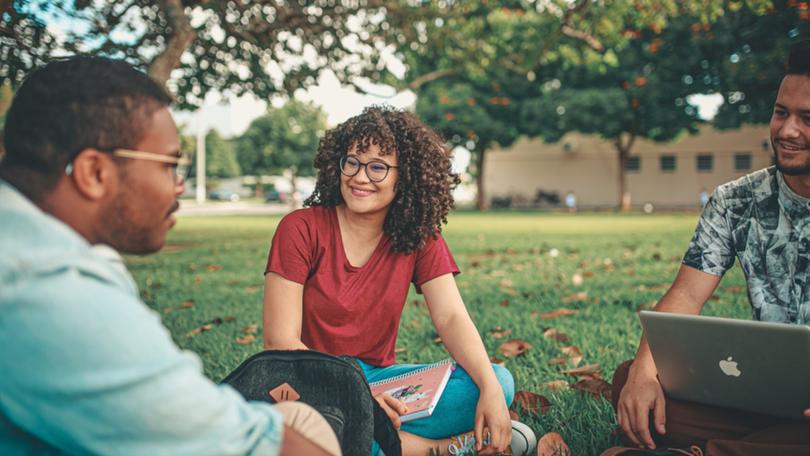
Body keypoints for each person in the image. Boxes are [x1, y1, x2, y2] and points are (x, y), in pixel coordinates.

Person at [0, 56, 339, 456]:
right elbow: (257, 446)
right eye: (169, 165)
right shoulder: (49, 290)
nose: (178, 186)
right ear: (94, 172)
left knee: (299, 418)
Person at [262, 106, 535, 456]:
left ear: (404, 177)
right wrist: (359, 399)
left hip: (380, 382)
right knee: (313, 427)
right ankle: (440, 449)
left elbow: (451, 317)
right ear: (337, 165)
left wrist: (491, 392)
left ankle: (371, 441)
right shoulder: (300, 229)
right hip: (310, 383)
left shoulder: (419, 236)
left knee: (497, 380)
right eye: (353, 162)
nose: (361, 177)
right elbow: (279, 342)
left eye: (378, 167)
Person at [611, 41, 810, 455]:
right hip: (767, 396)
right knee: (632, 383)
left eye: (807, 119)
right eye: (781, 112)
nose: (787, 131)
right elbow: (685, 295)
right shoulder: (737, 200)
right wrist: (646, 372)